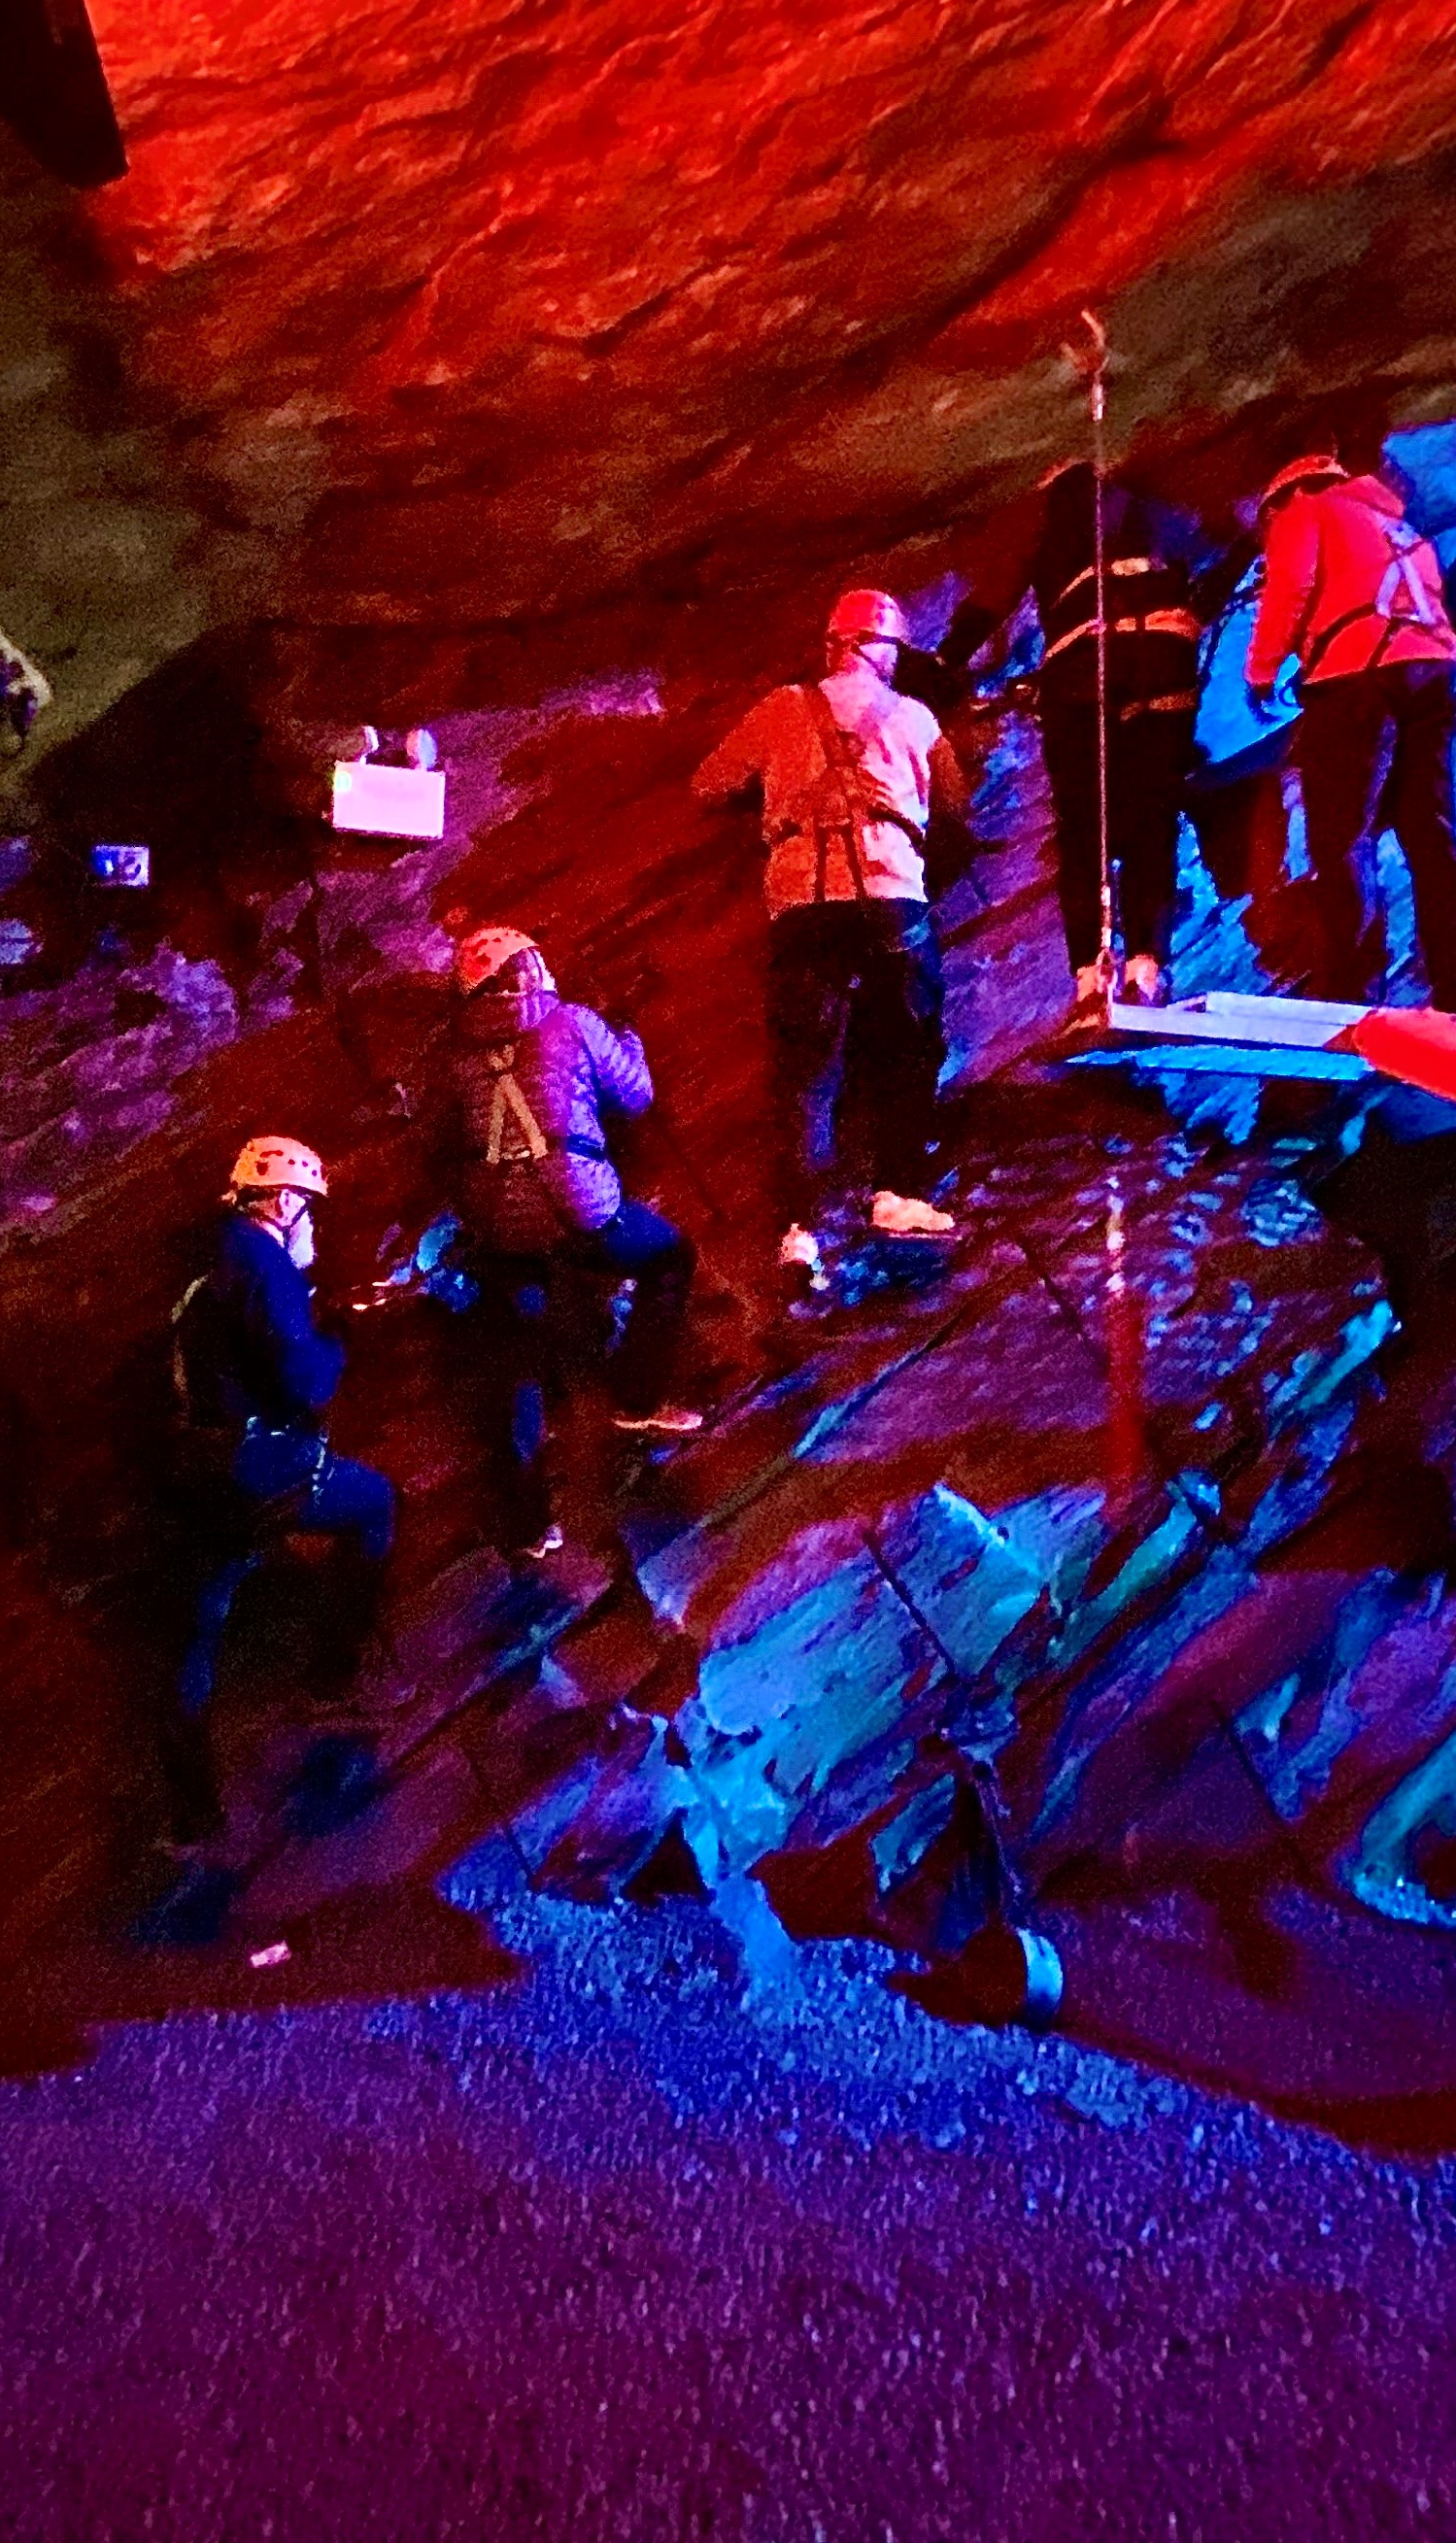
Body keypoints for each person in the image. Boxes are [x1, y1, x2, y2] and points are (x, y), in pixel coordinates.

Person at [691, 587, 973, 1287]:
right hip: (890, 899)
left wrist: (781, 794)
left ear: (832, 645)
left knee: (804, 1073)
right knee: (907, 1048)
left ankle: (798, 1232)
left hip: (803, 905)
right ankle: (899, 1194)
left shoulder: (781, 708)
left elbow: (708, 784)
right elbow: (957, 807)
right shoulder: (913, 717)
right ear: (883, 651)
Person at [439, 928, 704, 1557]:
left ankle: (529, 1523)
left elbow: (448, 1144)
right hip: (583, 1208)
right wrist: (631, 1036)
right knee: (668, 1256)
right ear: (523, 974)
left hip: (504, 1229)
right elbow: (635, 1095)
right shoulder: (573, 1023)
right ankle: (636, 1399)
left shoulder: (453, 1060)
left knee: (520, 1364)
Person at [164, 1135, 398, 1836]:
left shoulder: (216, 1259)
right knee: (376, 1505)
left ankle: (192, 1810)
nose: (313, 1223)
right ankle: (333, 1676)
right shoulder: (267, 1268)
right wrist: (338, 1339)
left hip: (199, 1466)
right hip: (260, 1472)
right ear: (286, 1200)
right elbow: (307, 1381)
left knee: (197, 1626)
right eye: (309, 1208)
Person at [941, 464, 1223, 1011]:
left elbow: (994, 594)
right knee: (1152, 819)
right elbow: (1221, 542)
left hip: (1084, 675)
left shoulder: (1051, 529)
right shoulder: (1154, 511)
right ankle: (1147, 965)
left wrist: (948, 656)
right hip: (1166, 666)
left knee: (1085, 828)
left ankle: (1091, 977)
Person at [1249, 449, 1456, 1015]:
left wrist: (1260, 671)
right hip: (1437, 672)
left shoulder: (1305, 510)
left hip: (1359, 677)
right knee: (1432, 836)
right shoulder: (1400, 527)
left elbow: (1291, 588)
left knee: (1342, 837)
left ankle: (1353, 993)